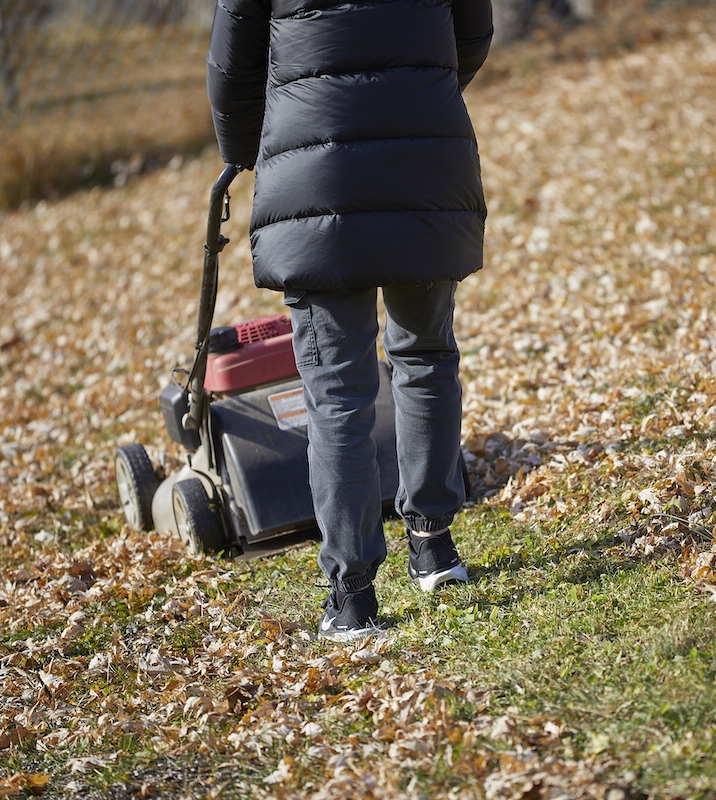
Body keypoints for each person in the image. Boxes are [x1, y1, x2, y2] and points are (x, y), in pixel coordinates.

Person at [206, 0, 494, 641]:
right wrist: (414, 96)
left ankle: (354, 595)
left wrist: (258, 147)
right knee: (425, 354)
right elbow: (473, 33)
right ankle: (434, 544)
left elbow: (232, 68)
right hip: (424, 162)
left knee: (336, 390)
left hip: (316, 171)